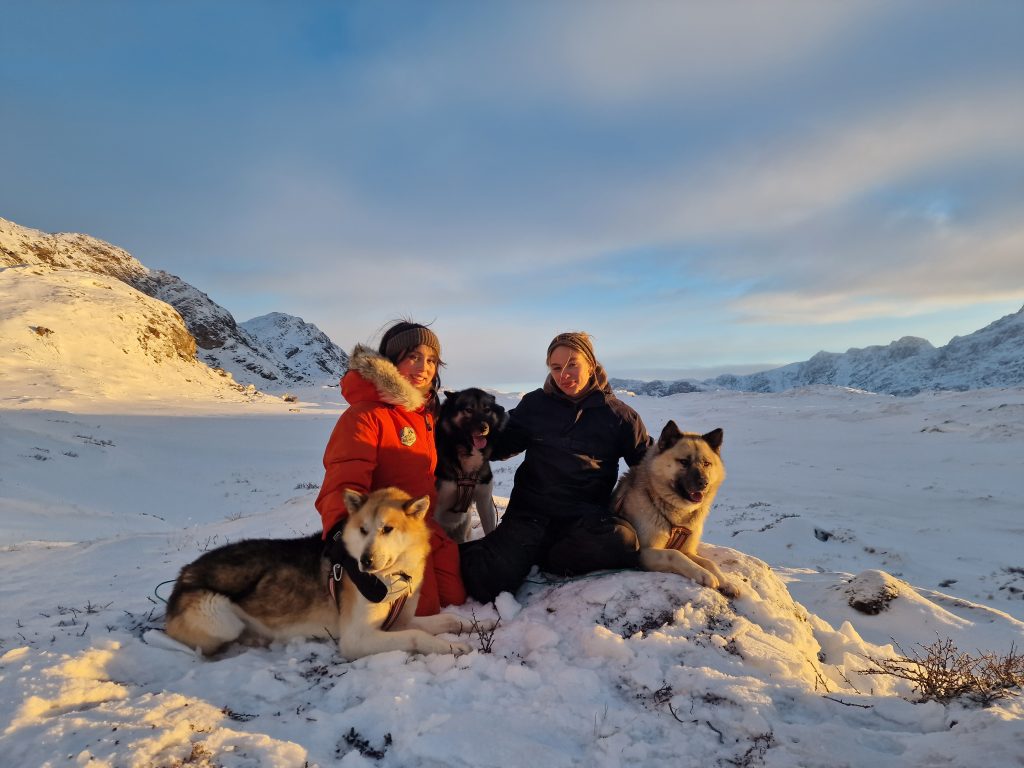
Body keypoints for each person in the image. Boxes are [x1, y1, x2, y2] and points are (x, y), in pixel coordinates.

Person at [460, 331, 651, 603]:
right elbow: (504, 445)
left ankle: (540, 557)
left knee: (622, 541)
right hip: (529, 514)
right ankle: (507, 552)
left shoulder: (620, 417)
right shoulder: (535, 404)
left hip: (581, 519)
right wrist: (481, 437)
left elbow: (648, 466)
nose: (565, 375)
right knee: (487, 585)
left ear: (591, 364)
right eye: (556, 367)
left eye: (572, 364)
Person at [315, 321, 466, 615]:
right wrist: (344, 543)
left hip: (421, 530)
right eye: (414, 357)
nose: (424, 367)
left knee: (457, 599)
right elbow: (343, 483)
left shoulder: (422, 416)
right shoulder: (366, 415)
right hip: (384, 539)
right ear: (391, 361)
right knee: (422, 613)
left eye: (432, 360)